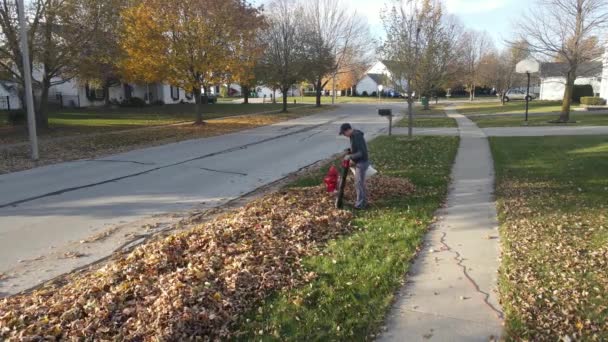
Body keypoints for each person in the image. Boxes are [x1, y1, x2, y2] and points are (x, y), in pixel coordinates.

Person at [339, 123, 369, 209]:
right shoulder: (353, 136)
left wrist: (350, 156)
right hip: (359, 162)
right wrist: (350, 151)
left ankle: (361, 205)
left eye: (344, 133)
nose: (344, 135)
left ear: (348, 130)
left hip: (362, 162)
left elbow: (361, 153)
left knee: (359, 183)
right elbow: (356, 149)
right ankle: (362, 202)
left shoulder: (357, 136)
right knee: (359, 183)